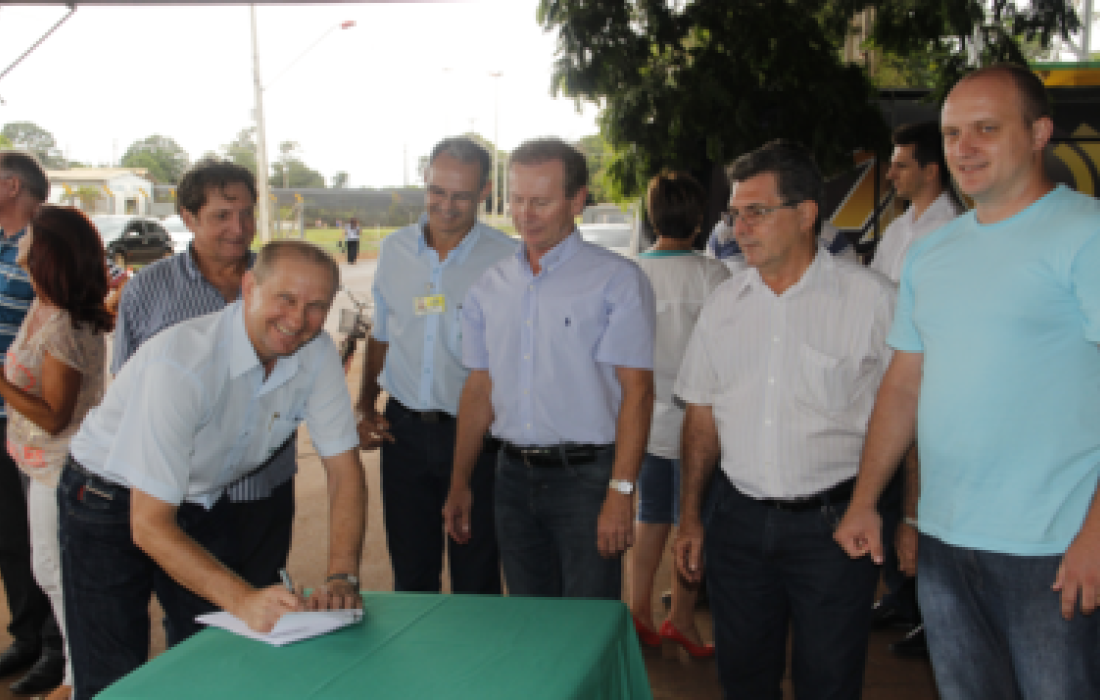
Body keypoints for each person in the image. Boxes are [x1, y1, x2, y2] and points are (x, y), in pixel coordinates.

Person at [835, 63, 1100, 700]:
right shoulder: (932, 251)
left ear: (1040, 133)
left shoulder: (1085, 234)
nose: (964, 148)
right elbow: (903, 385)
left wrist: (1096, 534)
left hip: (1055, 549)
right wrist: (868, 499)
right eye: (954, 133)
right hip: (946, 546)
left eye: (986, 129)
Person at [60, 241, 367, 699]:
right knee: (113, 676)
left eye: (316, 306)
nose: (298, 319)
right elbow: (148, 525)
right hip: (108, 499)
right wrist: (243, 599)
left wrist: (342, 576)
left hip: (200, 498)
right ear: (249, 287)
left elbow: (344, 471)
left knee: (224, 658)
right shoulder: (181, 363)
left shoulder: (317, 352)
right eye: (285, 298)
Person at [673, 140, 896, 699]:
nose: (739, 227)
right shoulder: (725, 306)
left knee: (829, 680)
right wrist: (692, 518)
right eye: (734, 212)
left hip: (834, 526)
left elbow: (907, 412)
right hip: (738, 524)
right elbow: (701, 418)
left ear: (805, 214)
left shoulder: (870, 301)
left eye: (757, 211)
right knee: (744, 678)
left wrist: (904, 515)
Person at [443, 137, 656, 600]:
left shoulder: (617, 282)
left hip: (588, 481)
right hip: (511, 479)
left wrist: (621, 492)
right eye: (517, 200)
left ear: (577, 200)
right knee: (529, 621)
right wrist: (460, 482)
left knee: (587, 626)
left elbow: (638, 392)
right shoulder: (489, 288)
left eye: (541, 202)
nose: (526, 214)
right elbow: (479, 388)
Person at [112, 158, 298, 597]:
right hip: (183, 495)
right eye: (221, 216)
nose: (239, 227)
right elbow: (128, 387)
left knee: (265, 609)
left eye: (247, 213)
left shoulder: (283, 284)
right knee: (191, 623)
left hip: (262, 489)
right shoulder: (147, 290)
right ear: (188, 218)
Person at [356, 137, 515, 594]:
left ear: (485, 191)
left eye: (461, 196)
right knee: (411, 573)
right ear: (425, 180)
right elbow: (382, 333)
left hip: (476, 437)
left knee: (476, 575)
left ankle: (475, 665)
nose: (446, 206)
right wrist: (367, 406)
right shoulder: (394, 251)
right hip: (402, 430)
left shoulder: (506, 259)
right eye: (438, 191)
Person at [0, 206, 113, 700]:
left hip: (60, 469)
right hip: (37, 464)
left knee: (59, 574)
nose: (20, 241)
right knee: (51, 571)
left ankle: (76, 676)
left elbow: (53, 416)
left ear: (46, 251)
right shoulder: (45, 305)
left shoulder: (63, 324)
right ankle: (75, 668)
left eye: (30, 236)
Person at [869, 120, 964, 658]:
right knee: (891, 499)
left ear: (932, 170)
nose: (892, 174)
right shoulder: (902, 226)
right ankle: (904, 596)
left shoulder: (949, 230)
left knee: (920, 497)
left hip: (927, 382)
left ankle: (935, 614)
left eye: (903, 164)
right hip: (893, 377)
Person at [629, 171, 729, 657]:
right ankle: (682, 620)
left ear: (652, 217)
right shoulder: (713, 276)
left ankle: (637, 612)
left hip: (644, 422)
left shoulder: (632, 273)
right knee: (695, 522)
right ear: (698, 219)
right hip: (700, 425)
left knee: (650, 515)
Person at [0, 151, 66, 697]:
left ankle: (55, 647)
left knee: (43, 541)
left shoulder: (53, 242)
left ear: (12, 185)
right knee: (9, 538)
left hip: (39, 423)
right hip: (5, 419)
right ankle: (26, 636)